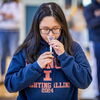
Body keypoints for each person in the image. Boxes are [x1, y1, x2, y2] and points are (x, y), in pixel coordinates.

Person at [4, 2, 92, 100]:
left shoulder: (73, 48)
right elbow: (10, 85)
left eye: (55, 29)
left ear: (62, 27)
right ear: (37, 28)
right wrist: (36, 66)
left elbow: (85, 82)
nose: (50, 35)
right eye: (45, 29)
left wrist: (64, 57)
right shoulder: (25, 49)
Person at [0, 0, 21, 83]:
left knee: (13, 53)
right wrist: (9, 16)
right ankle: (2, 76)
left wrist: (6, 15)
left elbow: (18, 18)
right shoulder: (1, 3)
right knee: (2, 53)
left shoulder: (17, 4)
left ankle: (12, 75)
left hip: (14, 31)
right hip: (2, 31)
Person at [84, 0, 100, 99]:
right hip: (95, 41)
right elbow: (91, 24)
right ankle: (96, 92)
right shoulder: (89, 7)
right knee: (96, 66)